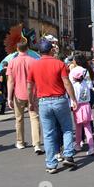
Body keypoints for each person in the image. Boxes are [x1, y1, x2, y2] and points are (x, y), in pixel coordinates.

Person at [27, 40, 78, 174]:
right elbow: (66, 82)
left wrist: (30, 102)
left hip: (43, 101)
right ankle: (68, 155)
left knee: (48, 134)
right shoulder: (59, 64)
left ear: (39, 51)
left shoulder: (34, 66)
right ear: (51, 50)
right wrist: (73, 99)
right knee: (66, 128)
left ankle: (51, 164)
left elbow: (30, 86)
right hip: (60, 100)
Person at [7, 42, 43, 154]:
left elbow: (10, 81)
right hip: (33, 93)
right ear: (27, 48)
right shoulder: (34, 61)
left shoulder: (12, 62)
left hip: (18, 94)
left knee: (19, 118)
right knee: (35, 118)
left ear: (17, 49)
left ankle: (20, 142)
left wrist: (9, 97)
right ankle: (36, 144)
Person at [70, 67, 94, 156]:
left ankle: (78, 144)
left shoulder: (74, 86)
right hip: (86, 106)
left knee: (78, 127)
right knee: (88, 128)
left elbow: (74, 98)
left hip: (78, 107)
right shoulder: (85, 84)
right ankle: (91, 147)